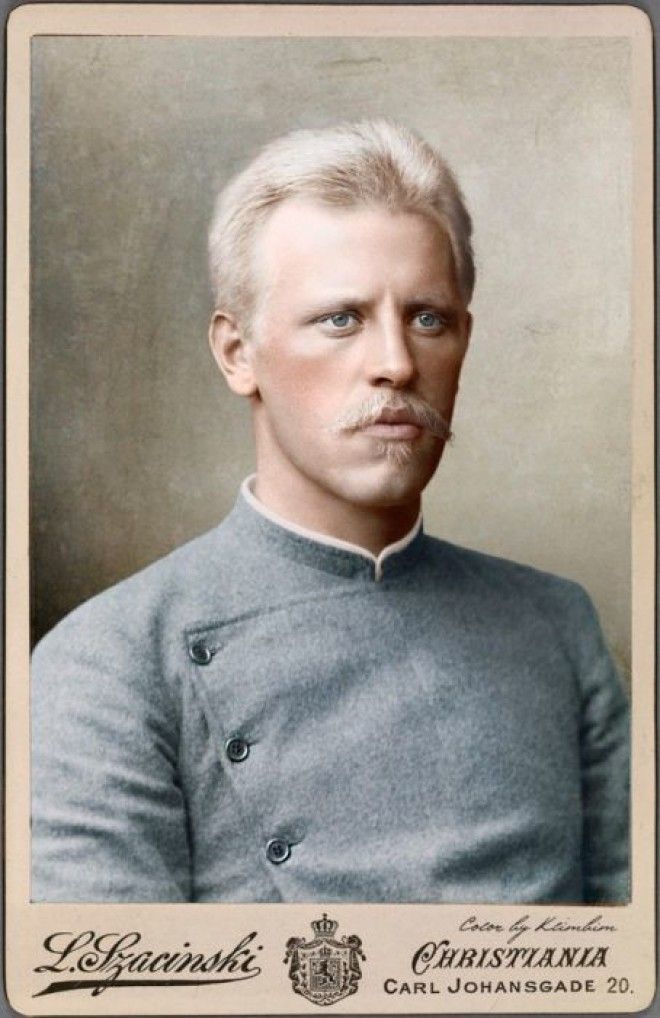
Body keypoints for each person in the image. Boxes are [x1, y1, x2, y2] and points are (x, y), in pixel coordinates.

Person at [31, 120, 629, 903]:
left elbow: (637, 951)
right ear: (237, 354)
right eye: (341, 318)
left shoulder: (555, 626)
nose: (397, 364)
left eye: (428, 318)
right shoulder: (108, 662)